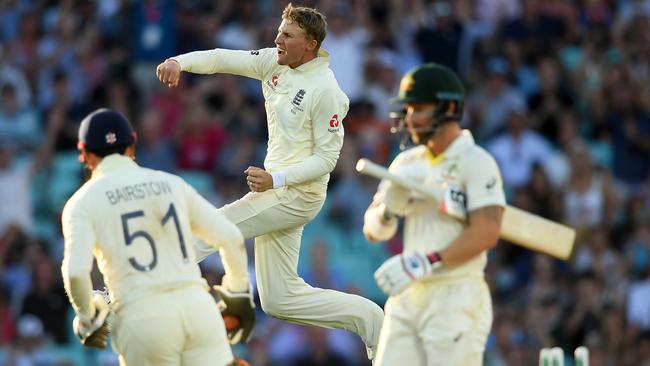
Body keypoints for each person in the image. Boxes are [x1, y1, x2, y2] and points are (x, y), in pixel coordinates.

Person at [156, 3, 384, 359]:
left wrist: (275, 178)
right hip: (277, 190)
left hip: (297, 195)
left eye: (287, 35)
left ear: (309, 45)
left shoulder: (326, 91)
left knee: (216, 229)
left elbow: (327, 161)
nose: (277, 38)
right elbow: (221, 58)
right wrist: (179, 62)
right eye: (279, 31)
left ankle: (131, 286)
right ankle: (371, 319)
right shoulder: (273, 63)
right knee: (279, 298)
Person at [60, 108, 253, 366]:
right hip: (198, 308)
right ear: (132, 145)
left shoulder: (81, 203)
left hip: (142, 318)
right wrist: (237, 294)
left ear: (84, 154)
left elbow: (75, 274)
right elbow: (230, 237)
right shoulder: (171, 183)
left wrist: (88, 316)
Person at [362, 63, 505, 365]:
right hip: (408, 294)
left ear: (449, 107)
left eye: (419, 108)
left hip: (456, 293)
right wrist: (389, 209)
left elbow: (487, 230)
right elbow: (374, 232)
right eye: (408, 109)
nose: (410, 118)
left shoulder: (476, 161)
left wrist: (428, 261)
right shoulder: (404, 163)